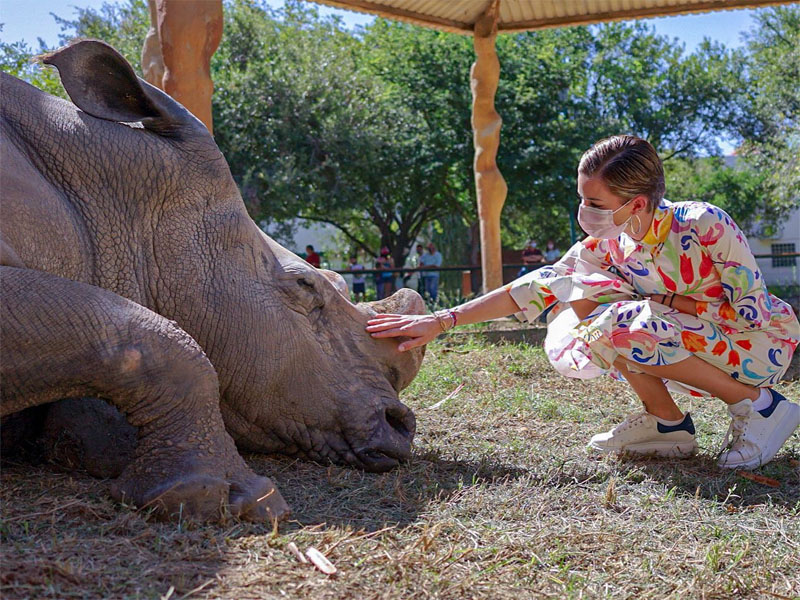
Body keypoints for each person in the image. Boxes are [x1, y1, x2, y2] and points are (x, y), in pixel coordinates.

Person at [367, 135, 800, 470]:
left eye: (595, 203)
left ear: (637, 204)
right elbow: (539, 284)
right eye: (582, 198)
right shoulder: (609, 244)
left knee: (625, 320)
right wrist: (443, 320)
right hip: (688, 340)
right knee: (601, 320)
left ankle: (762, 407)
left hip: (755, 345)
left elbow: (752, 312)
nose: (584, 211)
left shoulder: (703, 225)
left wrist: (665, 303)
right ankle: (668, 425)